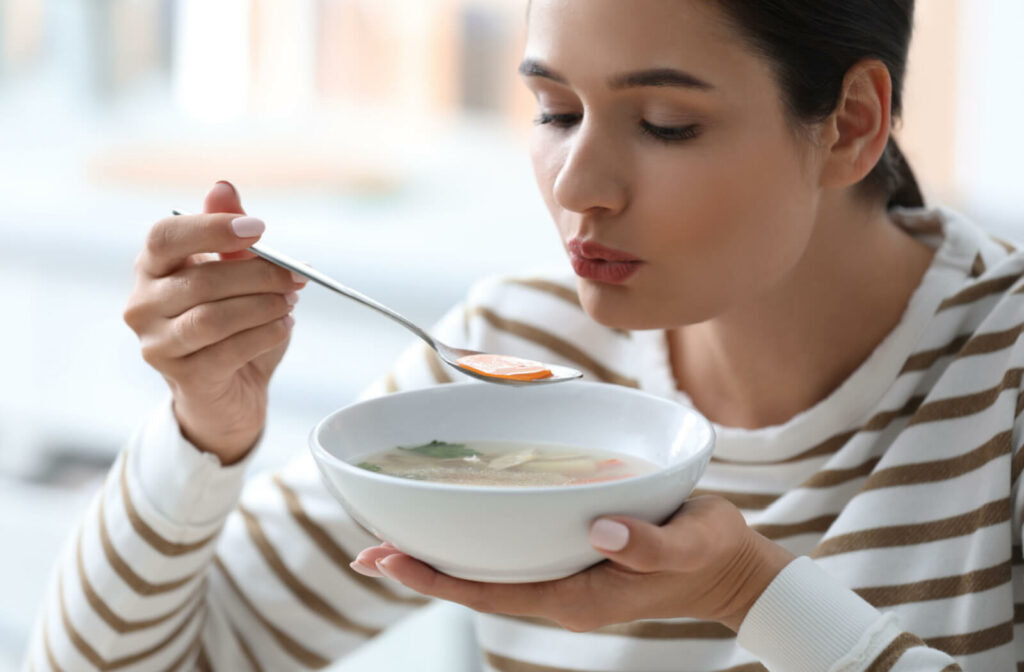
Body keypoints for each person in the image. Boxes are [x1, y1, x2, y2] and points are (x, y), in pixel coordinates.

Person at [24, 0, 1024, 670]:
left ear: (849, 124)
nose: (577, 187)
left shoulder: (1001, 374)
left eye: (666, 123)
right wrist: (204, 428)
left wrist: (745, 589)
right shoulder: (520, 350)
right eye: (553, 110)